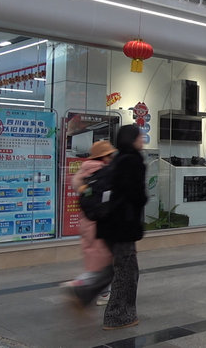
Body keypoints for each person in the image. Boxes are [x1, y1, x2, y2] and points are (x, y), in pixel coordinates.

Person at [97, 125, 148, 330]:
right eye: (139, 137)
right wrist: (142, 199)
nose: (142, 140)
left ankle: (120, 314)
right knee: (126, 273)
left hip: (111, 225)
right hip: (123, 225)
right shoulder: (132, 160)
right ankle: (117, 317)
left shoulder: (118, 159)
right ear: (132, 139)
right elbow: (135, 194)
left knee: (124, 270)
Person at [62, 140, 116, 306]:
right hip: (100, 222)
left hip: (86, 220)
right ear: (104, 157)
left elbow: (77, 186)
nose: (112, 157)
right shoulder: (105, 172)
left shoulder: (85, 170)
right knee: (104, 261)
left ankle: (95, 288)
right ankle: (81, 286)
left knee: (95, 258)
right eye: (110, 155)